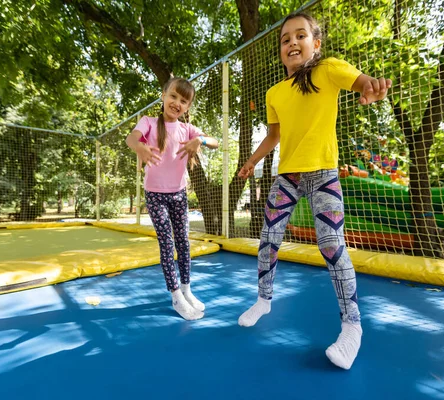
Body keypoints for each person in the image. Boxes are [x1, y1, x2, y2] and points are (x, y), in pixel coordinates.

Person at [237, 11, 392, 370]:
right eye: (285, 39)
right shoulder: (274, 92)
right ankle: (264, 299)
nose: (292, 42)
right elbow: (274, 136)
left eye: (300, 35)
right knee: (268, 238)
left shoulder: (328, 69)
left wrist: (370, 85)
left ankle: (352, 327)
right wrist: (251, 161)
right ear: (281, 50)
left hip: (323, 173)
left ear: (315, 44)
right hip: (287, 177)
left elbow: (359, 80)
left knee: (331, 244)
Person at [126, 77, 219, 320]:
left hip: (178, 195)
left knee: (183, 243)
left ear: (188, 107)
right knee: (167, 244)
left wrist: (200, 139)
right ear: (163, 96)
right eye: (173, 96)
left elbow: (215, 143)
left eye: (184, 100)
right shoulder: (148, 123)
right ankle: (176, 295)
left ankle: (187, 289)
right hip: (155, 195)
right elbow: (131, 139)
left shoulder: (187, 130)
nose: (177, 103)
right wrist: (140, 148)